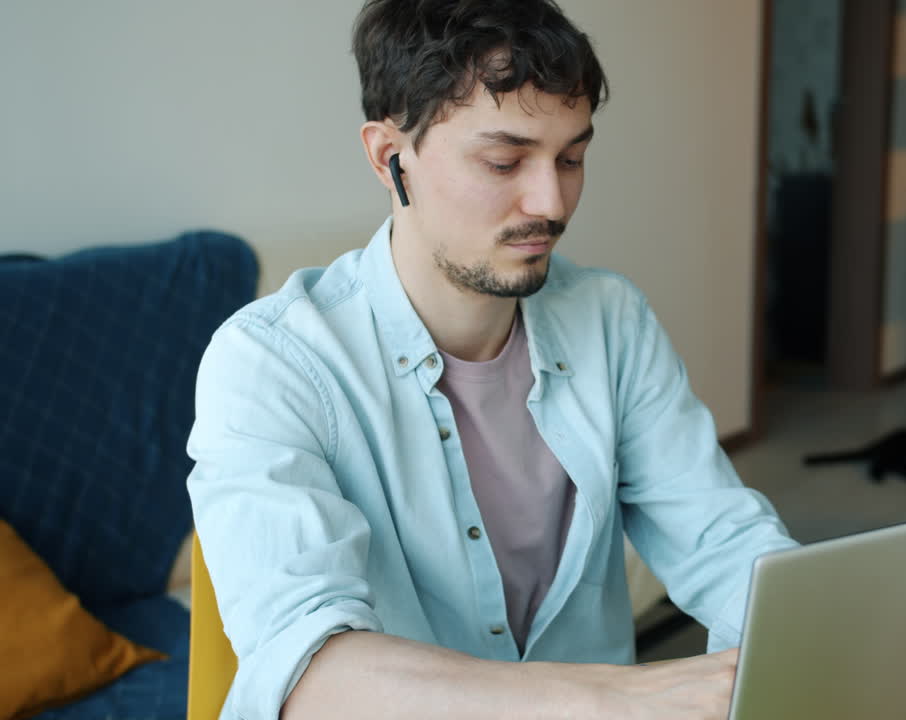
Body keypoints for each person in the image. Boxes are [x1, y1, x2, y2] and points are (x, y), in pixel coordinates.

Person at [186, 1, 797, 718]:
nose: (551, 200)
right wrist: (608, 698)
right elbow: (309, 673)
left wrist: (801, 642)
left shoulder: (611, 321)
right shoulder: (272, 362)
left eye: (572, 157)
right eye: (505, 160)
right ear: (391, 158)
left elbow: (723, 541)